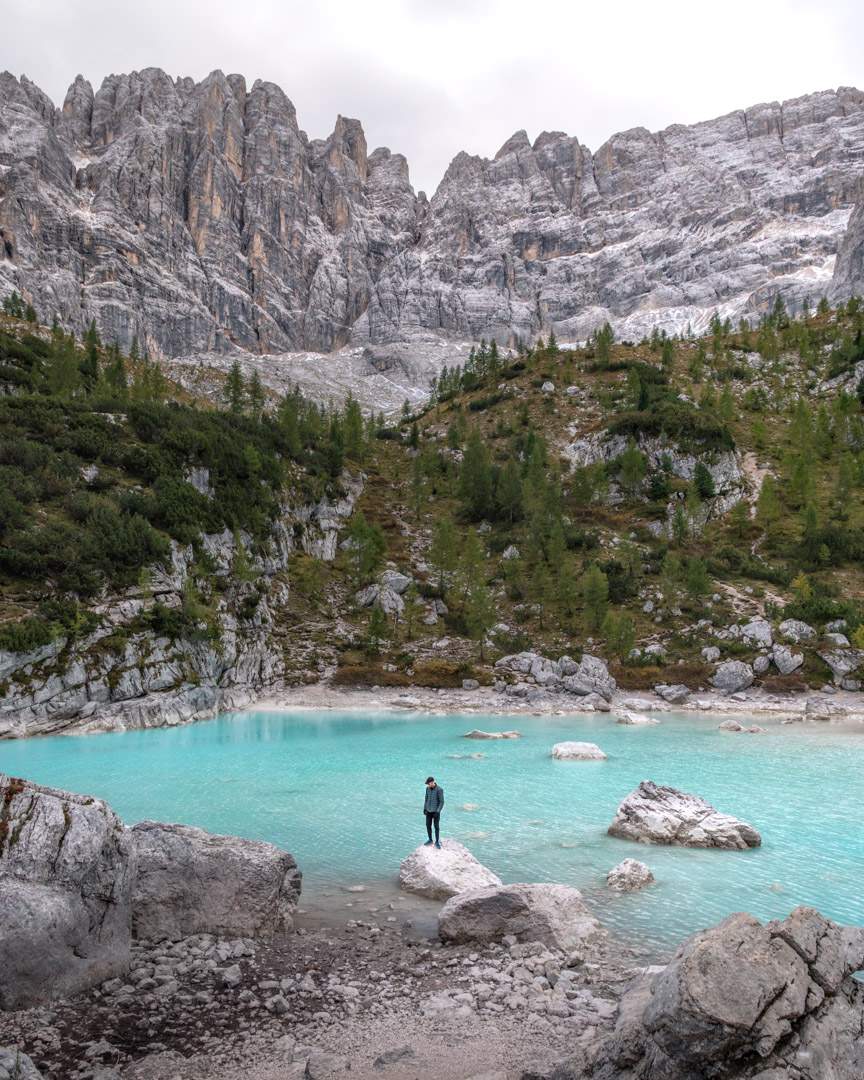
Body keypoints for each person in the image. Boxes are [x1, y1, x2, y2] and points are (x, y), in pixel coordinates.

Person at [423, 776, 444, 848]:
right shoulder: (427, 789)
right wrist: (425, 808)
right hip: (428, 811)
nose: (428, 785)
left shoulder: (439, 790)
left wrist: (438, 811)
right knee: (428, 825)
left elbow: (442, 802)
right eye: (427, 784)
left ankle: (437, 841)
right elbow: (426, 799)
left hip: (436, 812)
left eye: (429, 784)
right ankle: (430, 839)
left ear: (432, 782)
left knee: (436, 827)